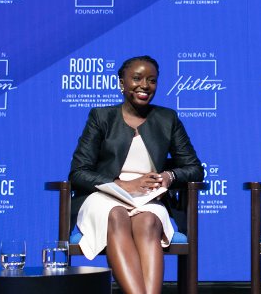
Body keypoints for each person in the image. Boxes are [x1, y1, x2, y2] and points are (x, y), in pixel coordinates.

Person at [68, 55, 203, 294]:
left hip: (148, 198)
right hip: (104, 197)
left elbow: (194, 168)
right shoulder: (101, 116)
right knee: (117, 215)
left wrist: (168, 177)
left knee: (149, 221)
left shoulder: (167, 118)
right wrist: (122, 184)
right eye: (137, 78)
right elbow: (78, 173)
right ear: (122, 82)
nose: (145, 86)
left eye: (152, 80)